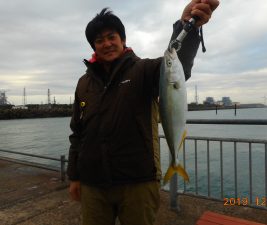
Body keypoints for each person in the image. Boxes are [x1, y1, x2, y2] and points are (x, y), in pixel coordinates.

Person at [67, 1, 219, 225]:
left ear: (123, 40)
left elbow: (177, 65)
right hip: (93, 184)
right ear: (93, 46)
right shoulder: (84, 84)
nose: (106, 44)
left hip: (138, 182)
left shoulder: (145, 70)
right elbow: (77, 132)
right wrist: (74, 176)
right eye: (99, 40)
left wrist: (187, 26)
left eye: (112, 37)